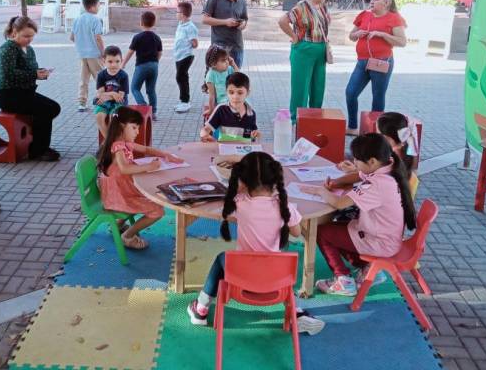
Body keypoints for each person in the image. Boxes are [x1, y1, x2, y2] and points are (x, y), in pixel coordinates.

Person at [187, 152, 326, 335]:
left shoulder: (239, 203)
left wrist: (239, 183)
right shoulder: (285, 207)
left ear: (242, 182)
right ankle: (296, 313)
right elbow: (297, 232)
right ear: (275, 179)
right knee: (282, 254)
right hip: (275, 281)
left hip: (241, 280)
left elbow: (223, 206)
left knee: (222, 258)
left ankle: (201, 309)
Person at [302, 133, 416, 296]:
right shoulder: (389, 167)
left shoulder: (376, 184)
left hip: (380, 243)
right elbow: (359, 174)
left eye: (357, 160)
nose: (354, 163)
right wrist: (337, 183)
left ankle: (343, 280)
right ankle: (366, 267)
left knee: (323, 232)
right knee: (339, 228)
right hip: (386, 237)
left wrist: (321, 191)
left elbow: (338, 203)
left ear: (372, 162)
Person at [96, 107, 183, 250]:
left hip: (120, 189)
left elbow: (147, 149)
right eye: (134, 128)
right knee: (157, 210)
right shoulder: (118, 146)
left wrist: (166, 155)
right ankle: (128, 236)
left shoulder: (123, 142)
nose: (137, 132)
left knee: (148, 195)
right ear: (122, 126)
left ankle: (116, 225)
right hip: (118, 195)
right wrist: (149, 166)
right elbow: (124, 168)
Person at [0, 16, 61, 162]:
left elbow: (31, 70)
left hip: (26, 93)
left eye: (32, 36)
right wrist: (34, 74)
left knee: (53, 108)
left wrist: (41, 73)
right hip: (9, 96)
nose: (29, 39)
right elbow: (9, 74)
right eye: (26, 36)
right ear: (14, 32)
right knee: (47, 110)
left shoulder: (29, 49)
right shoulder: (7, 49)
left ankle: (39, 145)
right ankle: (38, 150)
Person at [345, 0, 407, 135]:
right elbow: (351, 36)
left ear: (386, 3)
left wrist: (383, 34)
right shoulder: (364, 15)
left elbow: (402, 42)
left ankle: (377, 131)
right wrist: (357, 34)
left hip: (381, 63)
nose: (371, 1)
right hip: (362, 62)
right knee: (351, 92)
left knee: (378, 96)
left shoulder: (394, 18)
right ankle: (353, 126)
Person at [278, 0, 332, 123]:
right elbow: (282, 21)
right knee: (300, 87)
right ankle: (296, 119)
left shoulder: (323, 6)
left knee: (318, 86)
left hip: (320, 50)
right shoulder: (301, 6)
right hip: (303, 49)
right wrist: (294, 36)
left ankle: (314, 117)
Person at [336, 112, 420, 196]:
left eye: (380, 135)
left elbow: (370, 181)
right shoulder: (395, 155)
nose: (376, 138)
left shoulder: (391, 163)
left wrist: (356, 169)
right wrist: (355, 169)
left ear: (397, 140)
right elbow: (367, 175)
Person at [202, 0, 249, 68]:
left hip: (237, 48)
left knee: (235, 81)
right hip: (219, 48)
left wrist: (243, 24)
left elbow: (245, 20)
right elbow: (204, 19)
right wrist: (225, 22)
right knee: (215, 80)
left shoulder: (242, 2)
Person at [123, 11, 163, 121]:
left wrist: (123, 63)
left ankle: (143, 105)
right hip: (154, 66)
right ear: (154, 23)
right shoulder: (157, 37)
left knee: (134, 88)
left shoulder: (137, 37)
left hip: (141, 66)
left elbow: (130, 52)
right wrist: (155, 62)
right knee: (151, 90)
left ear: (141, 23)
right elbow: (160, 53)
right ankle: (153, 112)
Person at [200, 72, 260, 143]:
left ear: (247, 93)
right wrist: (204, 135)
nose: (235, 97)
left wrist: (256, 134)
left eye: (240, 93)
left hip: (243, 151)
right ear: (226, 92)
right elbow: (206, 129)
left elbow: (252, 136)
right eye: (231, 92)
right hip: (224, 150)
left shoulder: (251, 113)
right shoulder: (221, 109)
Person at [71, 0, 104, 111]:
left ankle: (81, 103)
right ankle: (102, 100)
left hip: (82, 54)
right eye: (98, 5)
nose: (99, 8)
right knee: (100, 78)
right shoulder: (96, 20)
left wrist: (81, 42)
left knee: (83, 79)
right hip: (94, 54)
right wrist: (103, 52)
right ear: (92, 7)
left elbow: (72, 37)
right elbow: (98, 38)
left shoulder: (77, 20)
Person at [94, 46, 129, 137]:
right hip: (105, 102)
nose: (114, 65)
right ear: (103, 61)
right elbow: (100, 93)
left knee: (113, 117)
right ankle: (108, 142)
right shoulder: (101, 75)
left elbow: (120, 97)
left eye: (117, 61)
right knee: (99, 117)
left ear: (121, 60)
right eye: (110, 62)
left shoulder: (123, 76)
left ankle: (116, 141)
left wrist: (106, 95)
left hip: (119, 103)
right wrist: (113, 93)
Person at [173, 1, 199, 113]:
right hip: (179, 56)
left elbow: (195, 43)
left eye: (177, 12)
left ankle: (185, 102)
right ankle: (183, 100)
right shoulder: (181, 24)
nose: (176, 14)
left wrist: (189, 44)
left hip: (186, 56)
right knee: (180, 77)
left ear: (183, 14)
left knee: (181, 77)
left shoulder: (190, 27)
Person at [203, 45, 239, 117]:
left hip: (234, 97)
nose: (227, 62)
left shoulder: (229, 69)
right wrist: (211, 109)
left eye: (227, 59)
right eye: (223, 60)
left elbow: (239, 77)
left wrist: (234, 64)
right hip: (223, 103)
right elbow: (212, 95)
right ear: (213, 64)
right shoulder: (211, 75)